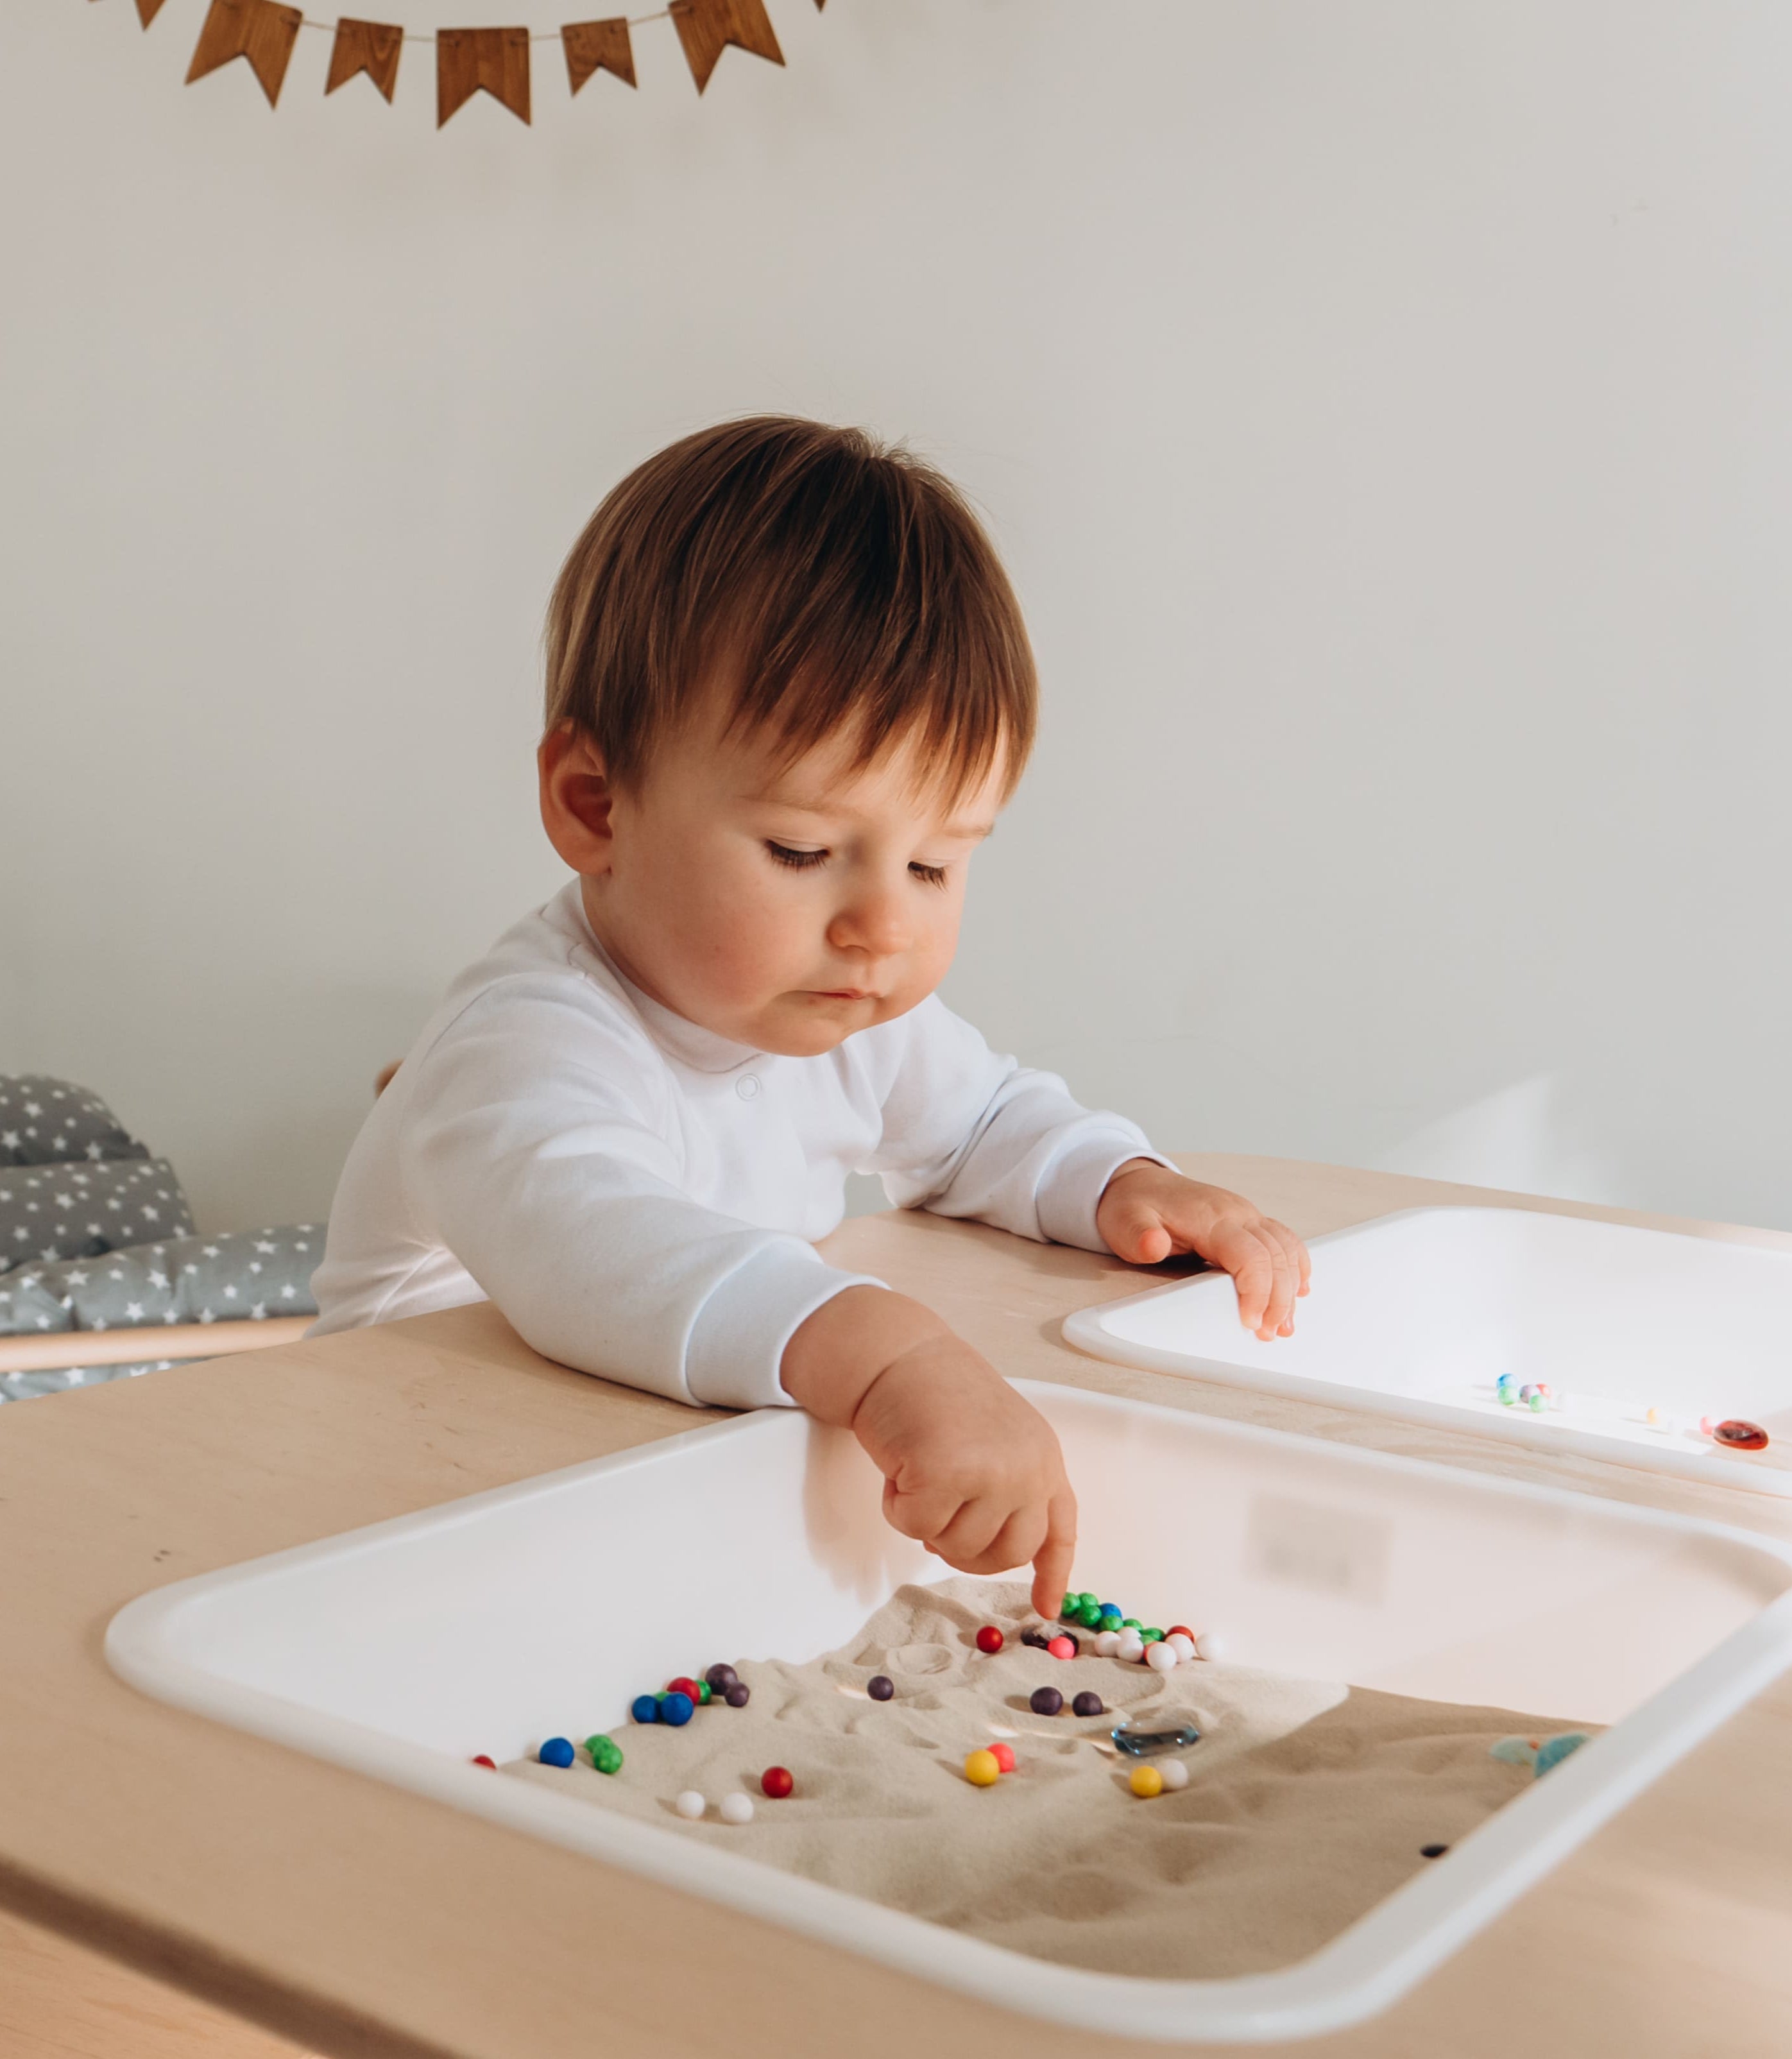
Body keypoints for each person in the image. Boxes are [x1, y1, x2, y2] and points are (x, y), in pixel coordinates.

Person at [312, 417, 1309, 1615]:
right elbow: (605, 1254)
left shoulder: (837, 1013)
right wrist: (893, 1354)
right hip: (397, 1519)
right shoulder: (519, 1048)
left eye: (936, 866)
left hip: (630, 1499)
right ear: (595, 807)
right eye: (804, 849)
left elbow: (981, 1120)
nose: (881, 927)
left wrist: (1117, 1183)